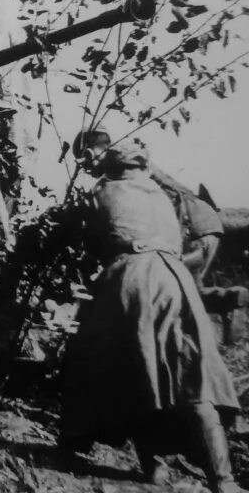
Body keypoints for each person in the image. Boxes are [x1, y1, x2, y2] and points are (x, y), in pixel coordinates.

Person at [61, 137, 242, 492]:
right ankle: (224, 480)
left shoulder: (99, 193)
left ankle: (150, 465)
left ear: (110, 166)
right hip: (176, 280)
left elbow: (92, 245)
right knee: (191, 370)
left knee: (129, 366)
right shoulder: (162, 194)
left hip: (130, 278)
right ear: (141, 165)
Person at [74, 129, 249, 320]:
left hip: (192, 228)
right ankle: (231, 300)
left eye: (85, 163)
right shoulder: (137, 163)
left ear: (90, 153)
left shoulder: (125, 173)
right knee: (187, 290)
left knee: (170, 293)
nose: (87, 170)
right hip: (205, 222)